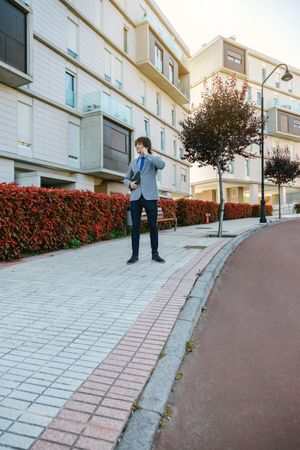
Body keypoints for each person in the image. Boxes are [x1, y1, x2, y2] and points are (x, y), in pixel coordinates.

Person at [124, 136, 165, 264]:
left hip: (150, 197)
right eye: (136, 144)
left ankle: (155, 254)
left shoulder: (153, 160)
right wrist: (130, 184)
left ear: (146, 145)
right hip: (135, 198)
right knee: (135, 227)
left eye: (139, 144)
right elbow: (126, 178)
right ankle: (134, 255)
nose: (137, 146)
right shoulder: (133, 162)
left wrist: (147, 154)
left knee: (153, 226)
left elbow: (162, 165)